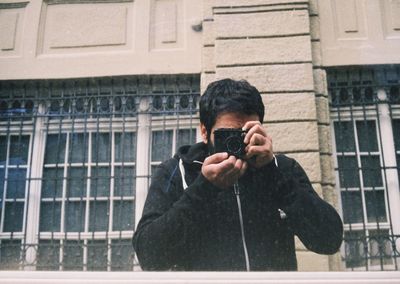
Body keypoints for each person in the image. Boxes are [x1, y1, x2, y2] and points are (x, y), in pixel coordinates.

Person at [132, 78, 343, 271]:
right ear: (205, 132)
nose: (237, 142)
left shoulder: (281, 169)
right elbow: (149, 257)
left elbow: (329, 240)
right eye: (227, 134)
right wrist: (204, 188)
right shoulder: (176, 171)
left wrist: (272, 173)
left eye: (244, 134)